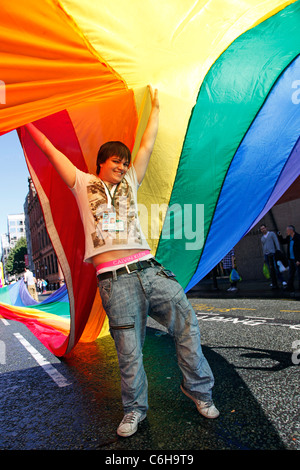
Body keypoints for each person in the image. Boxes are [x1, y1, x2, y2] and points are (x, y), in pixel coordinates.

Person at [24, 86, 219, 438]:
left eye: (125, 162)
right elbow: (50, 151)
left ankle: (200, 390)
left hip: (150, 269)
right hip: (115, 281)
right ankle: (134, 410)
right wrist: (25, 118)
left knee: (187, 323)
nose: (123, 165)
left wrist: (157, 106)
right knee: (129, 351)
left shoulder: (131, 180)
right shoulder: (82, 183)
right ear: (102, 161)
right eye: (117, 160)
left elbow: (147, 144)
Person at [260, 224, 286, 289]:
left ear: (266, 228)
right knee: (270, 269)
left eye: (263, 228)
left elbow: (276, 242)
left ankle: (282, 280)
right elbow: (263, 247)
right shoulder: (262, 238)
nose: (263, 230)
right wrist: (264, 256)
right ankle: (273, 281)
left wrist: (278, 250)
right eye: (261, 229)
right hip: (266, 254)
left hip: (273, 253)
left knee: (276, 268)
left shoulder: (271, 234)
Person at [278, 225, 300, 293]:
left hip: (296, 259)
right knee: (291, 273)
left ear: (291, 230)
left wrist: (299, 260)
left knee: (299, 273)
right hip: (291, 259)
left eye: (287, 230)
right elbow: (283, 242)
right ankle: (290, 287)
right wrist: (280, 236)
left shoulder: (298, 237)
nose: (286, 231)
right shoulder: (289, 237)